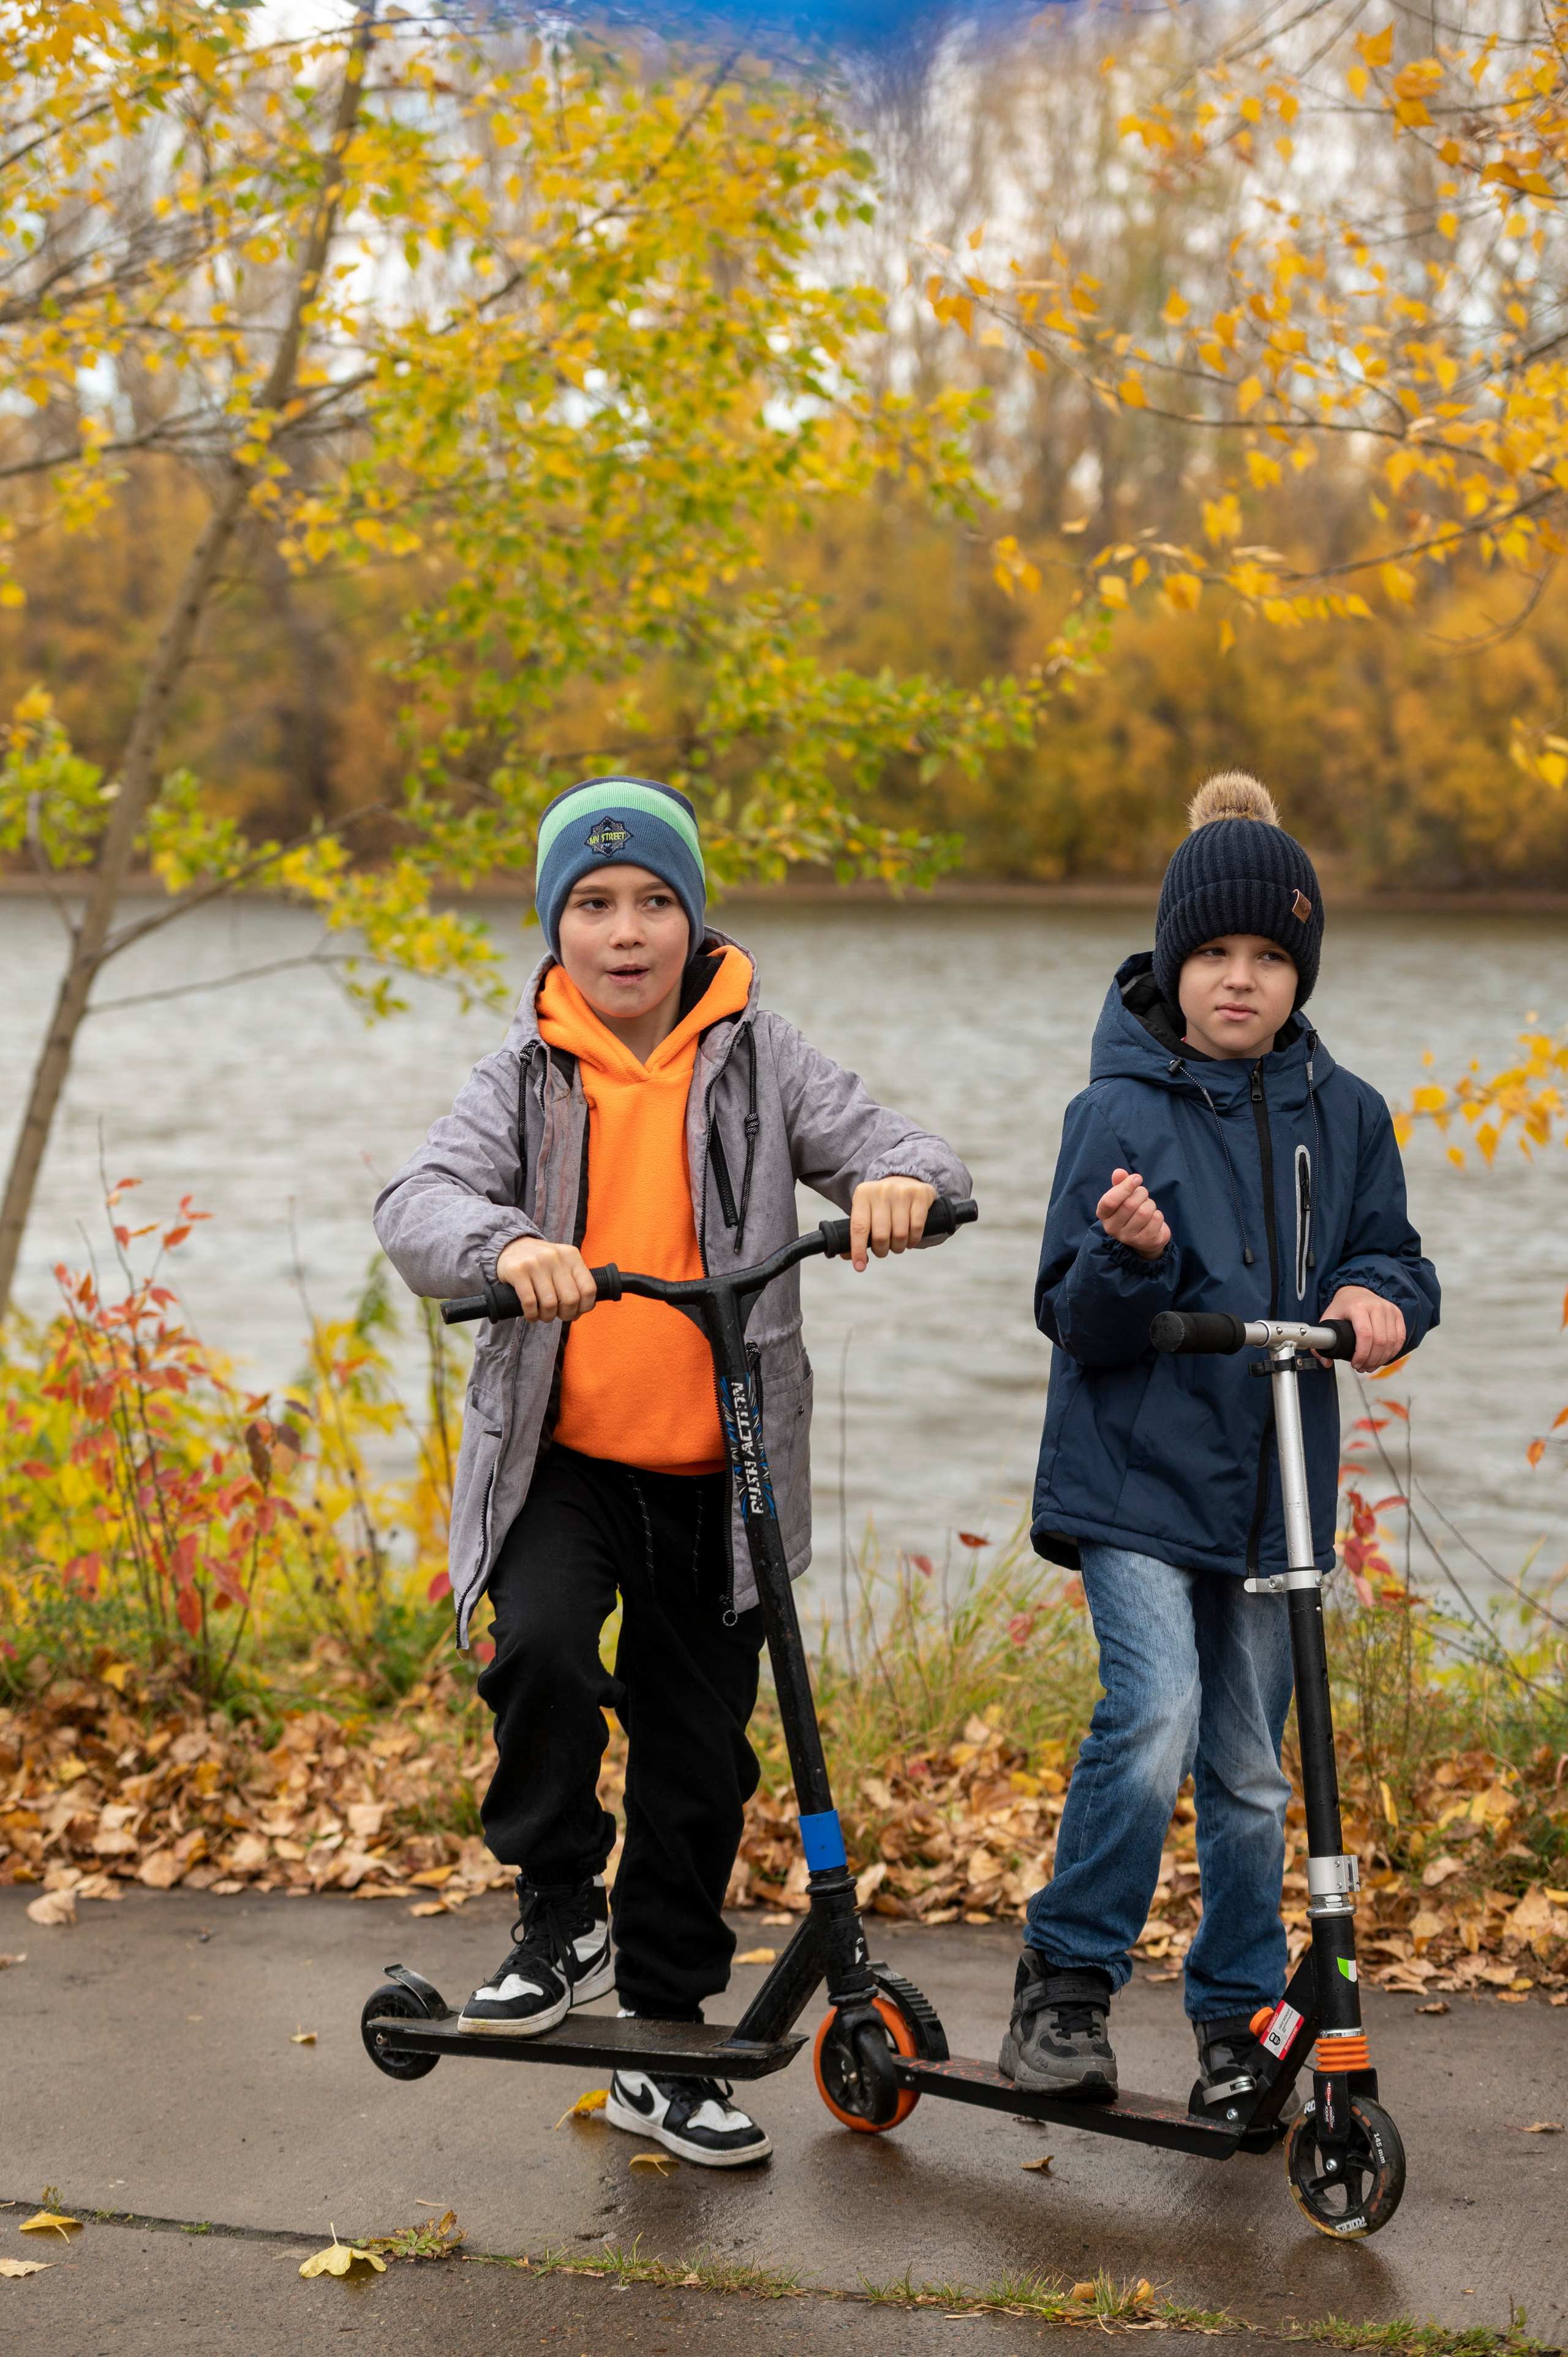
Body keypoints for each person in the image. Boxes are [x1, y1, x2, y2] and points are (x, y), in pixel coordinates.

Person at [375, 775, 968, 2168]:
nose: (625, 931)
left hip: (722, 1475)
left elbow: (904, 1147)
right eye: (592, 905)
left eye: (653, 902)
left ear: (692, 920)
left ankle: (664, 2034)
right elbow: (419, 1202)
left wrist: (901, 1189)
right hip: (563, 1462)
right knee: (536, 1651)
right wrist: (503, 1247)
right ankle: (558, 1906)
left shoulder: (762, 1059)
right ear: (555, 927)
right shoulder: (520, 1074)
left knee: (700, 1767)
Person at [1000, 771, 1439, 2111]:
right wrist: (1133, 1263)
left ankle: (1235, 2005)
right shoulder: (1113, 1113)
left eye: (1266, 957)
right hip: (1135, 1475)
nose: (1238, 980)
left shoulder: (1347, 1113)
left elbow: (1389, 1256)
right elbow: (1070, 1313)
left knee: (1250, 1764)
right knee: (1154, 1716)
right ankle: (1065, 1983)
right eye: (1212, 954)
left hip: (1276, 1491)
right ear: (1171, 961)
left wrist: (1375, 1302)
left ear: (1297, 971)